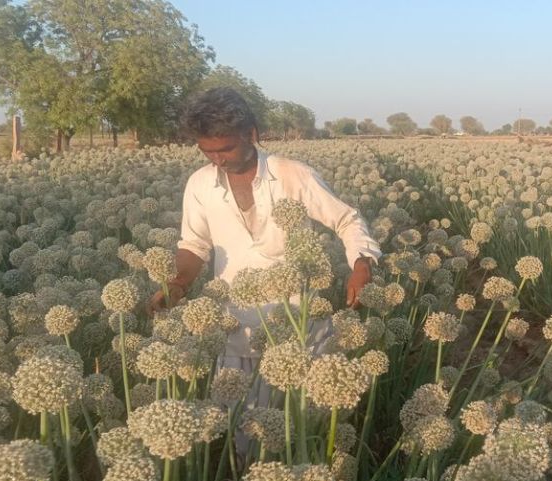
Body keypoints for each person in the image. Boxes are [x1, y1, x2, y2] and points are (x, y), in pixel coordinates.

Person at [147, 87, 381, 370]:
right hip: (234, 333)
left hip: (298, 327)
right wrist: (177, 285)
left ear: (251, 134)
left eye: (226, 149)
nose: (218, 160)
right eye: (207, 152)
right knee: (239, 413)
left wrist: (362, 264)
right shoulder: (199, 184)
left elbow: (347, 220)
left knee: (297, 413)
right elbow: (194, 245)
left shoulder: (292, 174)